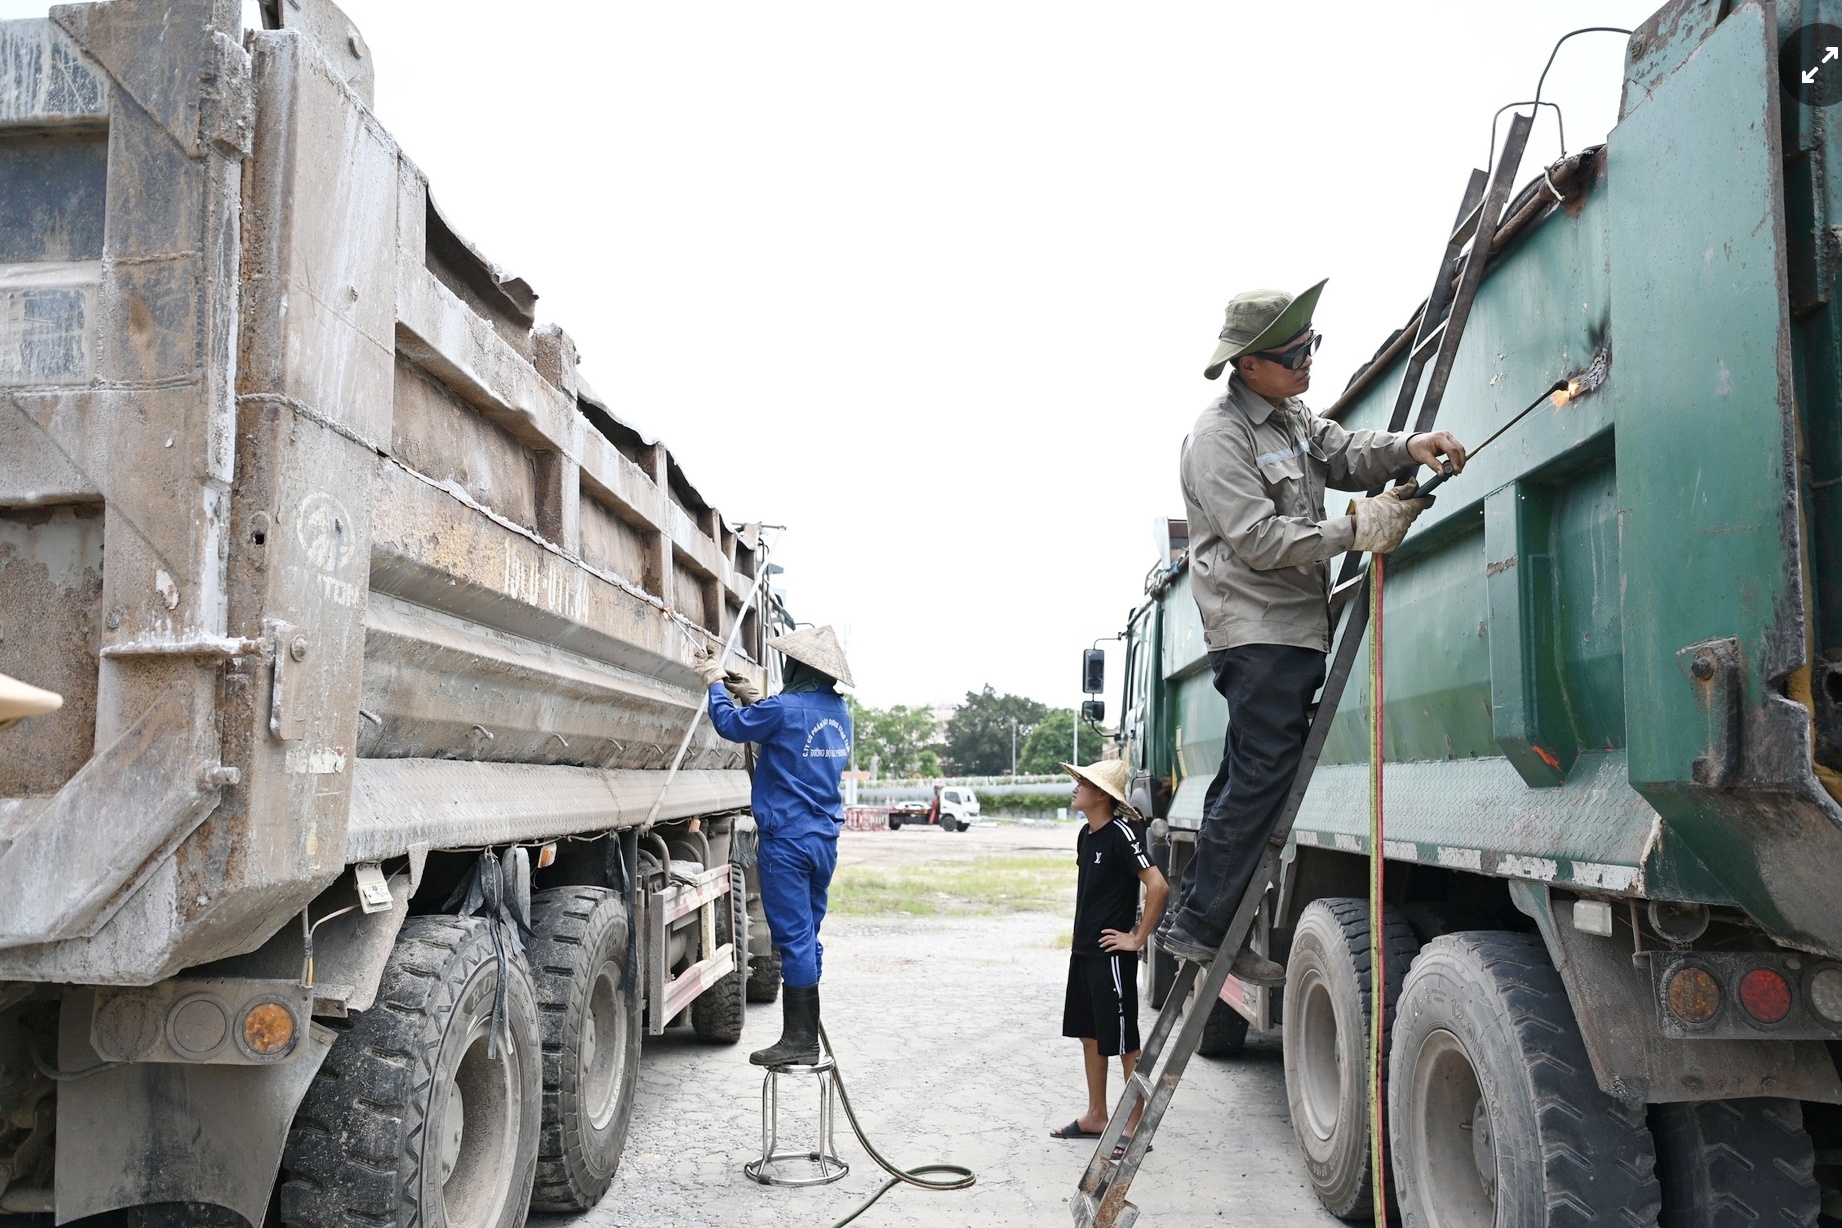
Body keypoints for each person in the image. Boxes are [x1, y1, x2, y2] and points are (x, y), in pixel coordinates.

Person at [1159, 280, 1468, 979]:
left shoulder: (1289, 415)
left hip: (1291, 627)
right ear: (1246, 364)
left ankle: (1199, 922)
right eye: (1293, 352)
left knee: (1248, 774)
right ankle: (1207, 927)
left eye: (1311, 345)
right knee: (1262, 776)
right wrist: (1357, 528)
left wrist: (1410, 445)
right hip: (1257, 630)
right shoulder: (1219, 437)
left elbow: (1344, 451)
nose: (1307, 361)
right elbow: (1260, 541)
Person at [694, 625, 853, 1067]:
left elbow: (730, 726)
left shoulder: (783, 710)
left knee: (794, 939)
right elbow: (794, 737)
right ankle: (807, 1022)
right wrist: (754, 697)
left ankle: (800, 1039)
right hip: (824, 839)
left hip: (788, 840)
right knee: (809, 933)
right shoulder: (840, 712)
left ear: (797, 665)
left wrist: (714, 684)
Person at [1049, 758, 1169, 1149]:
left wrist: (1136, 938)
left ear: (1101, 794)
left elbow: (1159, 886)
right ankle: (1097, 1116)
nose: (1075, 787)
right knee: (1089, 1036)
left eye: (1082, 783)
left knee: (1124, 1042)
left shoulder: (1122, 834)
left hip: (1111, 957)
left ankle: (1135, 1127)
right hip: (1083, 952)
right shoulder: (1086, 835)